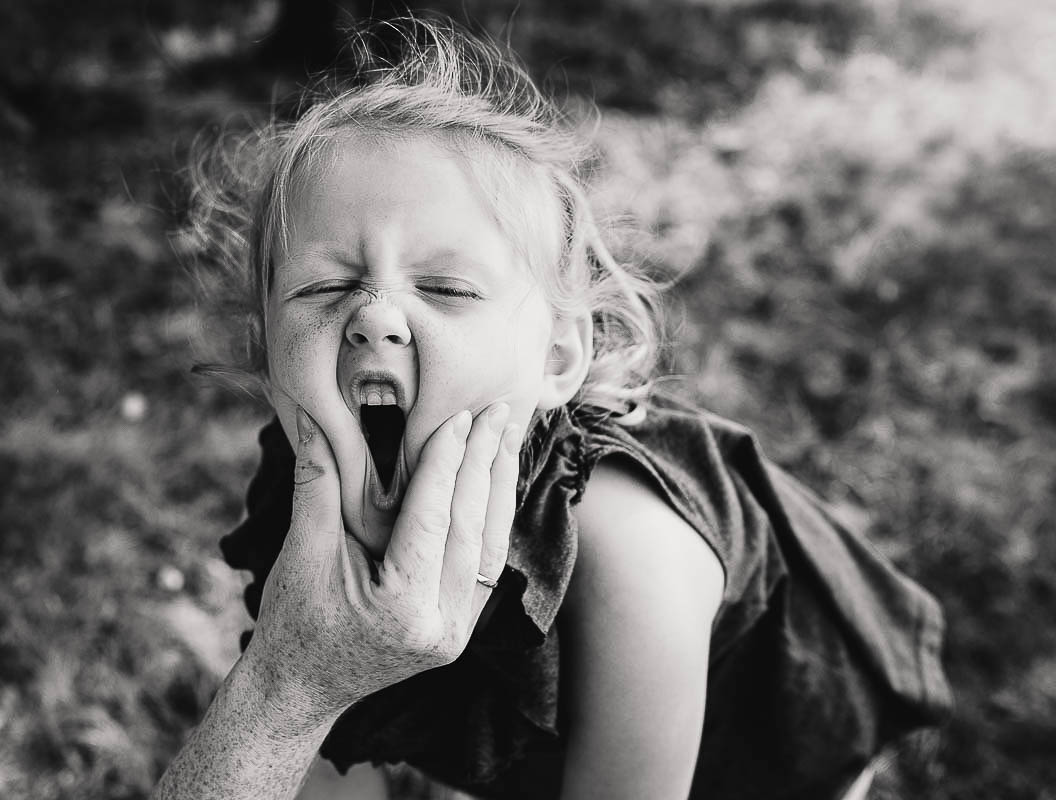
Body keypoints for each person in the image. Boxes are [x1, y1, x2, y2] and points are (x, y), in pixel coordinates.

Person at [155, 17, 951, 800]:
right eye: (323, 287)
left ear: (558, 358)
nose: (373, 315)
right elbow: (320, 749)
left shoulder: (633, 550)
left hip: (754, 750)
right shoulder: (299, 485)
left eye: (446, 288)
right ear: (266, 355)